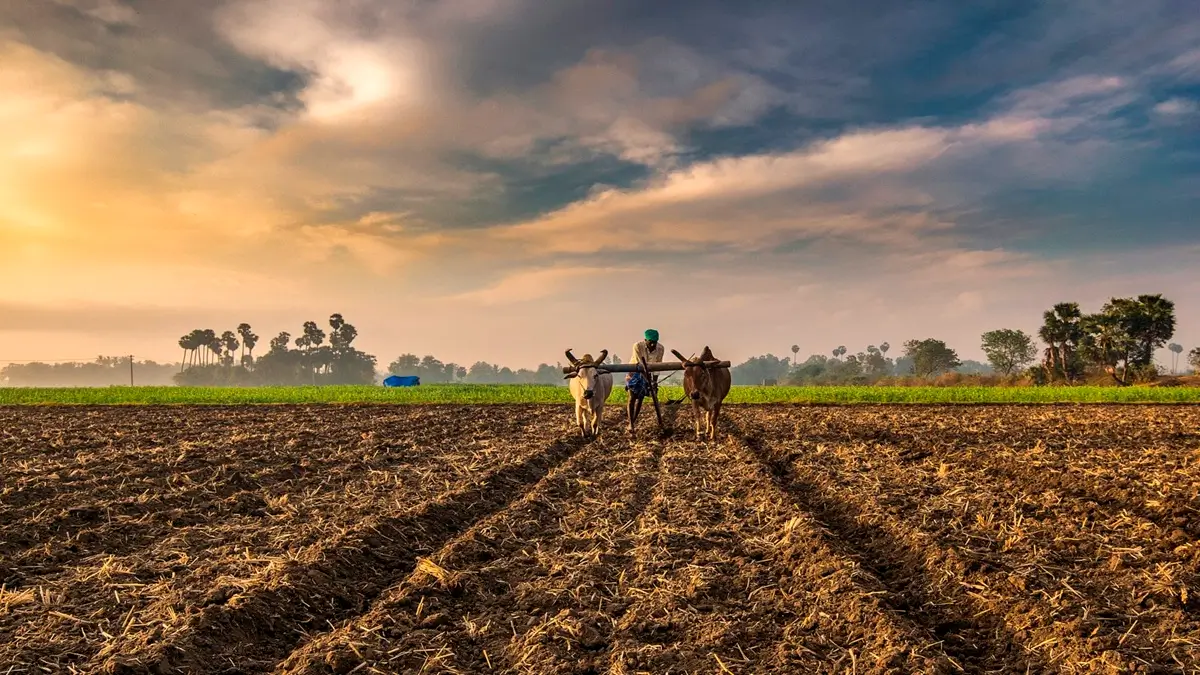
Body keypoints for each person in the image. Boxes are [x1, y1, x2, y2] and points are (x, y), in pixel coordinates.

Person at [626, 329, 665, 433]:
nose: (652, 344)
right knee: (632, 397)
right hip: (635, 372)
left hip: (649, 374)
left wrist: (654, 382)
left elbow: (658, 366)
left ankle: (633, 422)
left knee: (640, 398)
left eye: (654, 342)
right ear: (645, 340)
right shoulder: (637, 346)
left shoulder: (660, 348)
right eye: (650, 342)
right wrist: (649, 381)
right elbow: (640, 364)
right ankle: (630, 423)